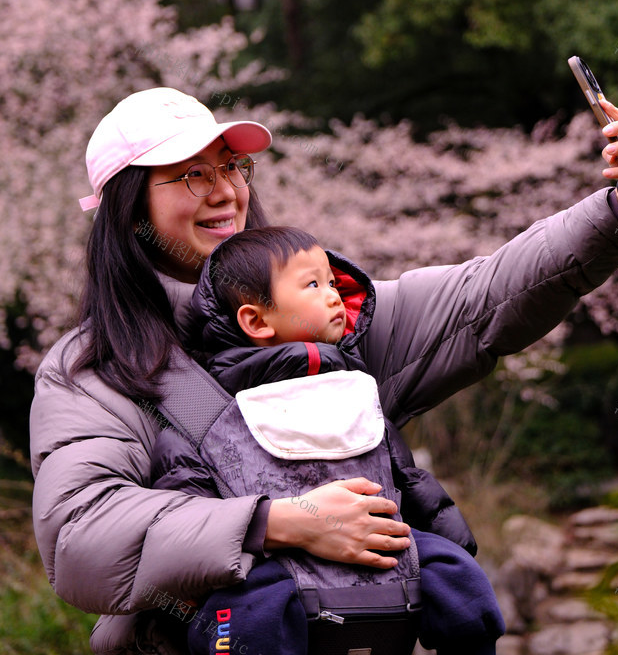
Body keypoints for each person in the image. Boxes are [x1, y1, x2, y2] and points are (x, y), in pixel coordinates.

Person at [29, 86, 618, 655]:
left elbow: (484, 296)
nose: (225, 191)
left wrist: (616, 213)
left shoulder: (332, 326)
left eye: (230, 166)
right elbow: (79, 537)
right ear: (129, 211)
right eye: (191, 176)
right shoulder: (92, 370)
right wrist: (282, 522)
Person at [150, 225, 505, 655]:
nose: (334, 294)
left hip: (382, 543)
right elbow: (186, 493)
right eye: (313, 284)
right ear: (256, 320)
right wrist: (190, 574)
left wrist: (454, 544)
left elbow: (405, 477)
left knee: (457, 578)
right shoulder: (209, 404)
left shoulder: (355, 385)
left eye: (334, 282)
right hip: (275, 564)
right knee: (245, 617)